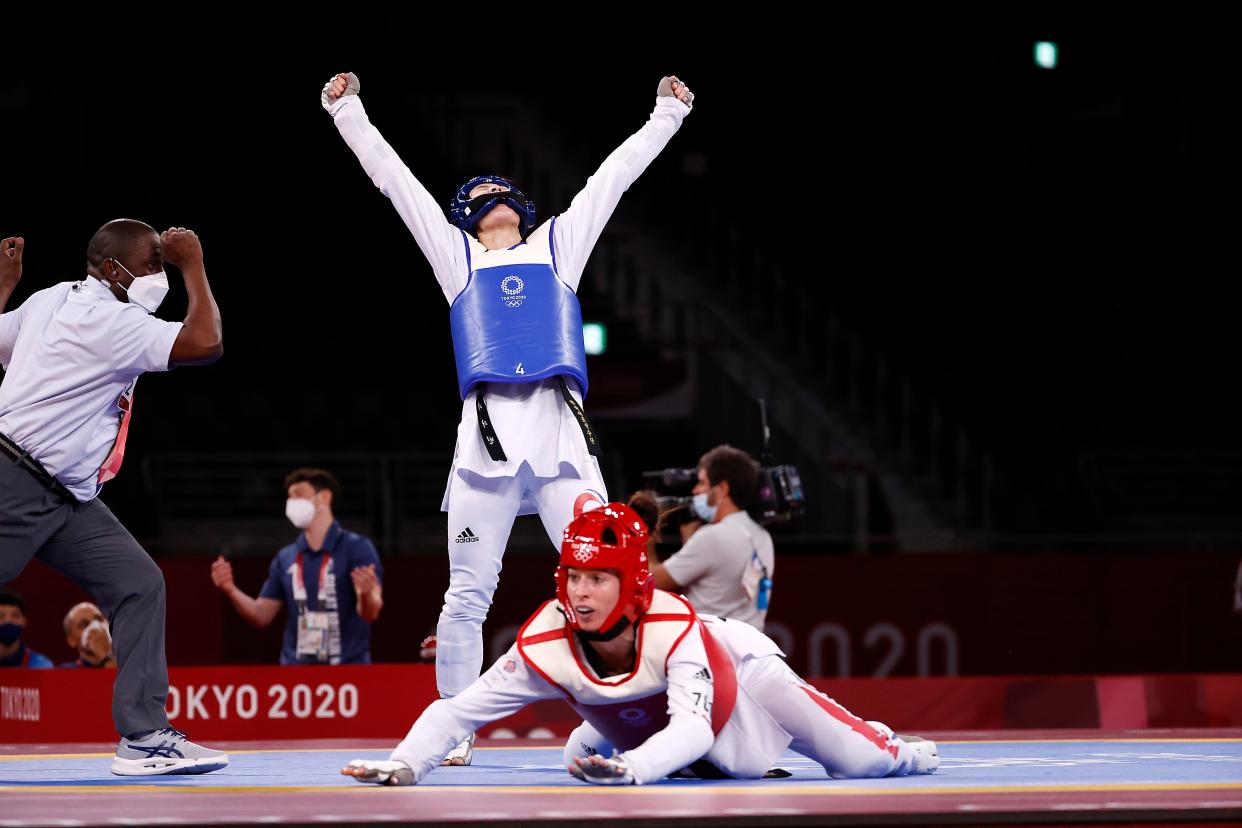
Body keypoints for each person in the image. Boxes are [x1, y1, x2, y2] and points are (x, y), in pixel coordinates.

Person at [320, 70, 695, 764]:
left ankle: (643, 714)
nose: (494, 201)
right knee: (466, 595)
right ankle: (452, 733)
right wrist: (348, 111)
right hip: (486, 446)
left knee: (610, 578)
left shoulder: (557, 246)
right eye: (480, 197)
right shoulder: (456, 259)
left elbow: (611, 180)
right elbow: (396, 182)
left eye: (503, 195)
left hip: (559, 438)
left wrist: (665, 115)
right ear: (467, 215)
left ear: (520, 208)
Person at [340, 503, 938, 786]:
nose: (582, 592)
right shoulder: (547, 638)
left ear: (633, 586)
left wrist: (634, 768)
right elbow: (457, 710)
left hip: (740, 682)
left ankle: (902, 748)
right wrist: (405, 763)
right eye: (574, 576)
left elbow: (695, 730)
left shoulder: (672, 623)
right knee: (578, 750)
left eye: (598, 578)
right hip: (640, 718)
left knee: (860, 763)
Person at [0, 224, 227, 775]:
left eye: (164, 265)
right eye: (153, 265)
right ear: (111, 269)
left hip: (69, 495)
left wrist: (5, 285)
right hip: (16, 481)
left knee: (139, 583)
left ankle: (144, 736)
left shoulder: (52, 297)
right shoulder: (114, 320)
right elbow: (205, 343)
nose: (159, 276)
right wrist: (193, 264)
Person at [210, 468, 383, 665]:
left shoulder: (357, 548)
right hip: (296, 674)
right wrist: (231, 590)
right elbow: (261, 615)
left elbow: (371, 612)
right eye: (290, 497)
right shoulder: (286, 557)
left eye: (299, 494)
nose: (292, 502)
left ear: (324, 497)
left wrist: (366, 594)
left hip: (348, 670)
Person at [651, 446, 776, 631]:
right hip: (749, 649)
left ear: (722, 489)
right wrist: (690, 540)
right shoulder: (763, 536)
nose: (695, 490)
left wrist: (643, 534)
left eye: (702, 483)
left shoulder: (712, 536)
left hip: (710, 650)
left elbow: (650, 581)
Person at [0, 590, 54, 668]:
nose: (8, 621)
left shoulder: (42, 665)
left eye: (15, 616)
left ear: (24, 621)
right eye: (1, 616)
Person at [60, 601, 117, 668]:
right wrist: (104, 657)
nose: (96, 627)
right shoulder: (65, 672)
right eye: (84, 625)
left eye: (99, 619)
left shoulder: (129, 660)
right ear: (72, 640)